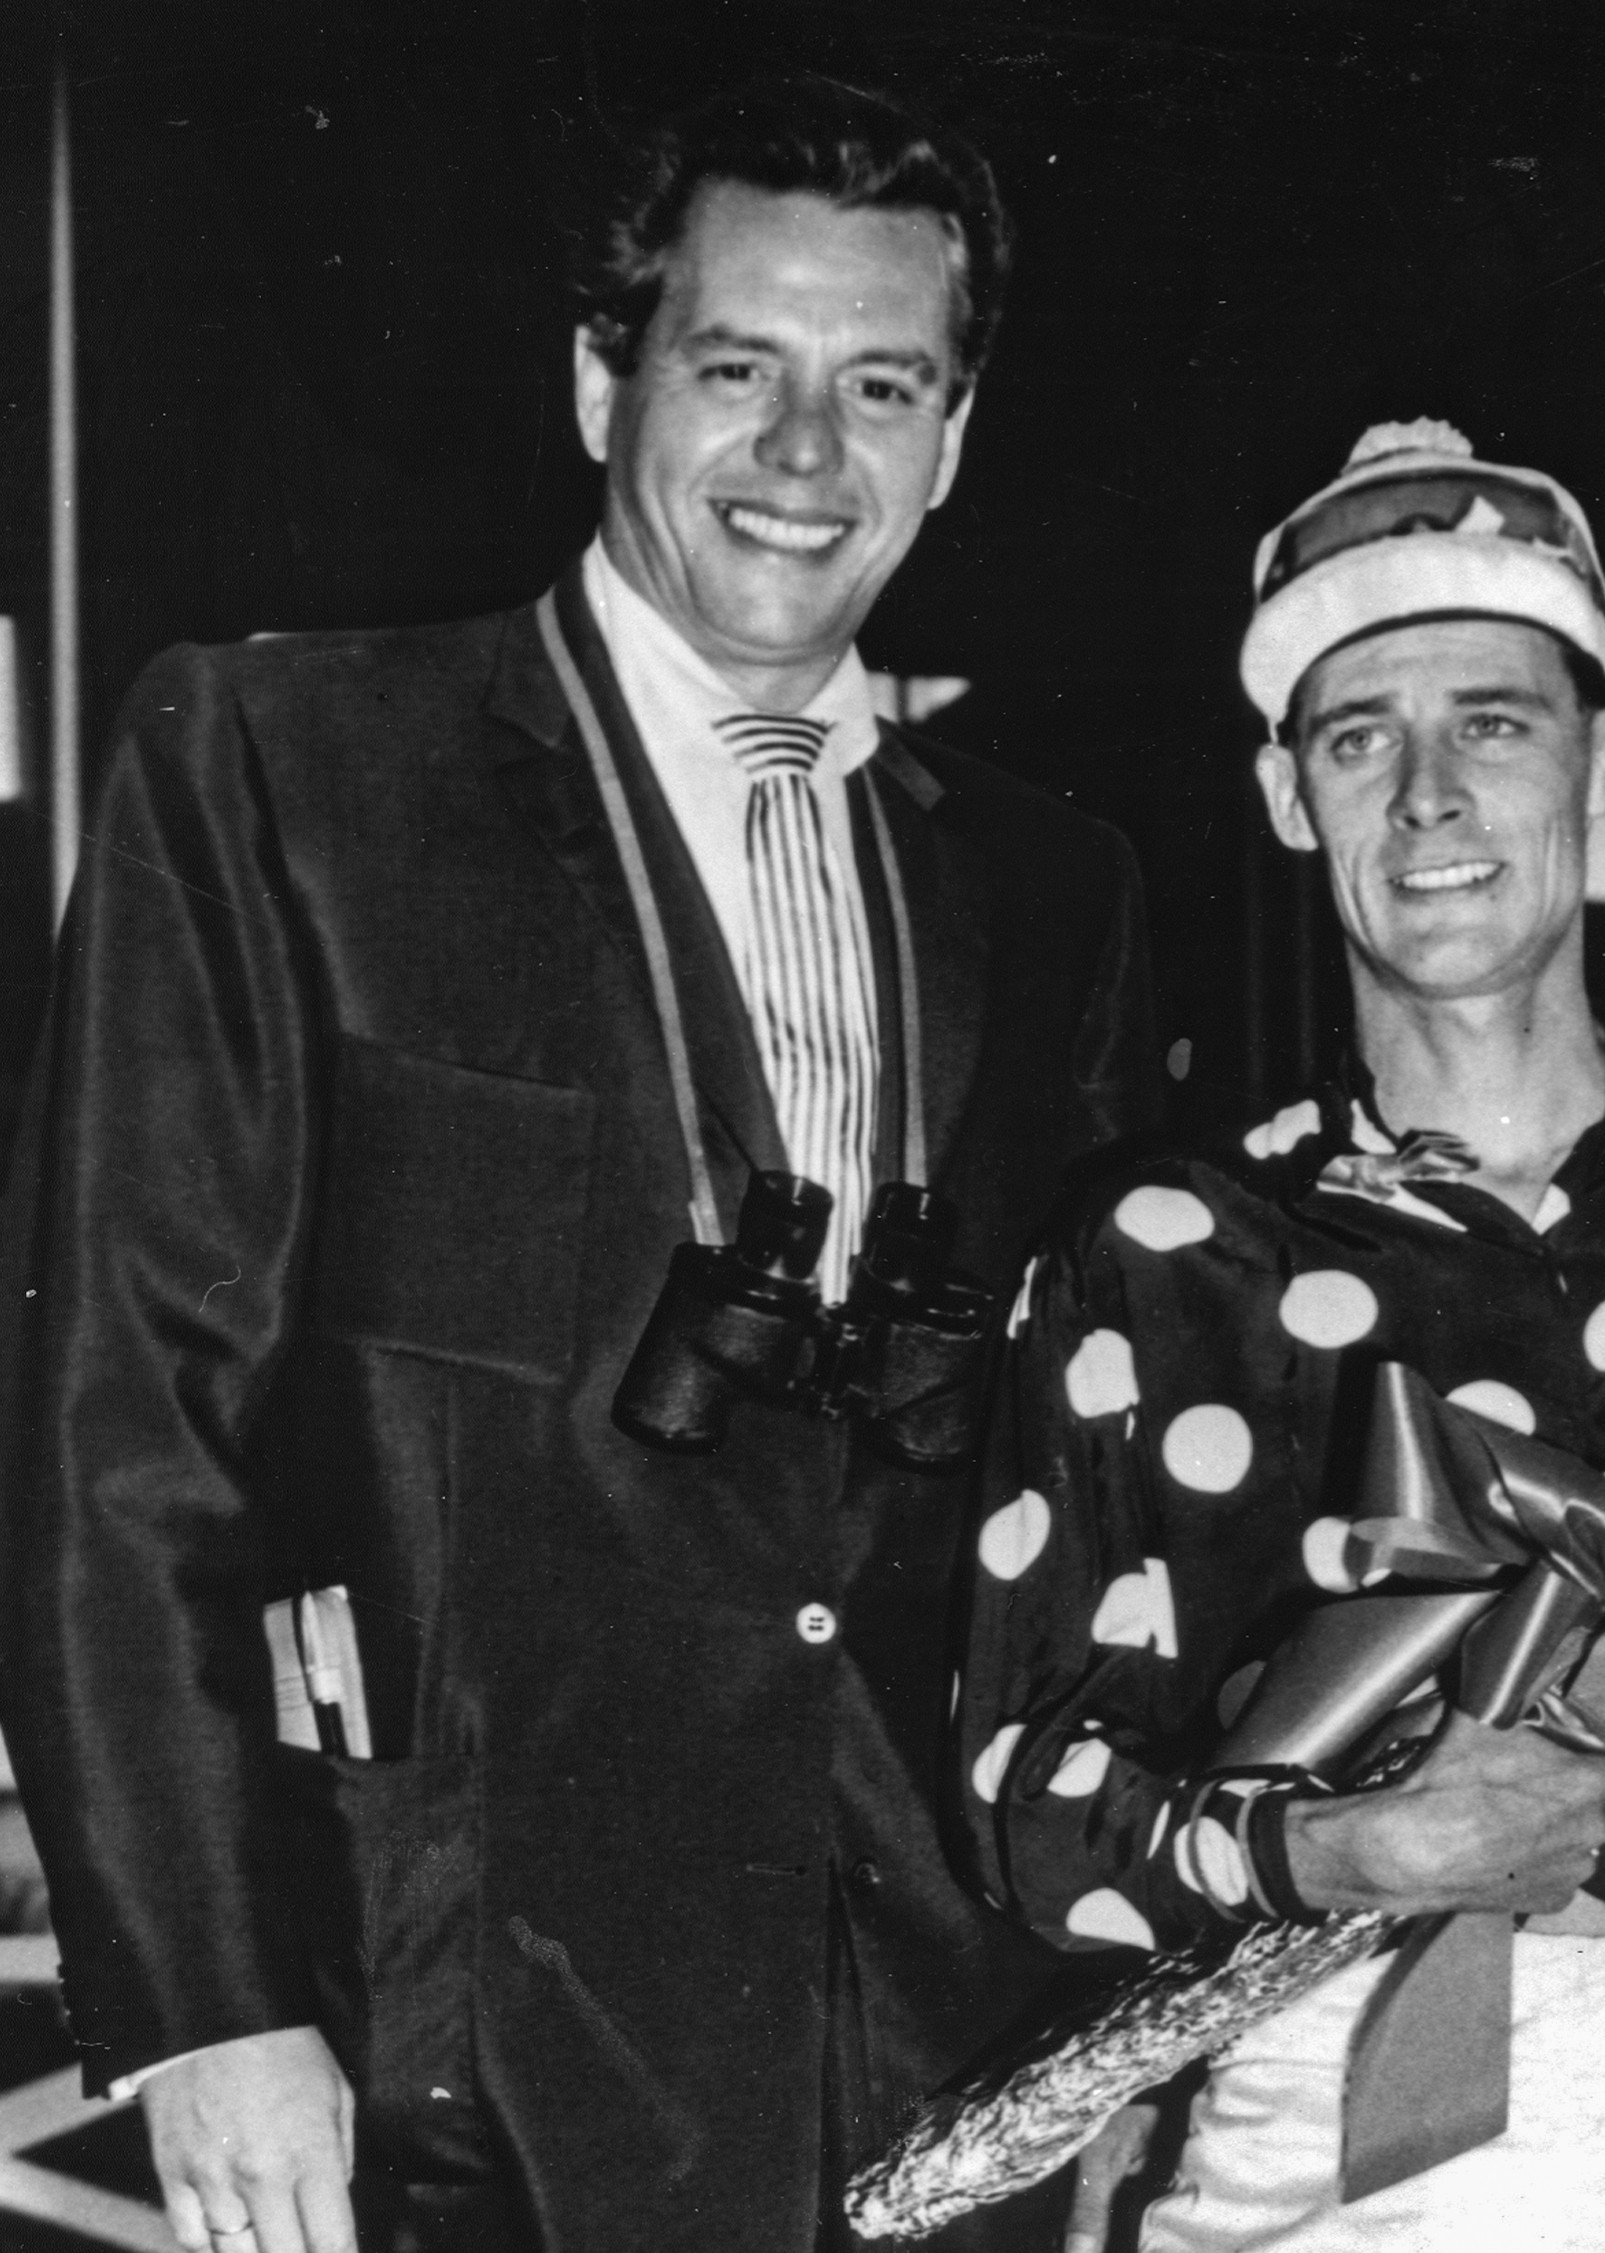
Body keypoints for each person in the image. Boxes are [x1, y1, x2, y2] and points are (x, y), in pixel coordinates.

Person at [0, 75, 1159, 2253]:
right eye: (738, 369)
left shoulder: (1049, 884)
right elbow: (120, 1429)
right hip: (450, 2063)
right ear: (599, 378)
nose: (806, 457)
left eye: (880, 384)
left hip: (942, 2064)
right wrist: (211, 2001)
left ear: (955, 437)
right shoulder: (285, 771)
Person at [959, 422, 1605, 2253]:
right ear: (1285, 797)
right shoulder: (1165, 1245)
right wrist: (1339, 1850)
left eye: (1492, 720)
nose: (1426, 797)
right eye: (1356, 736)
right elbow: (1027, 1800)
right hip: (1310, 2103)